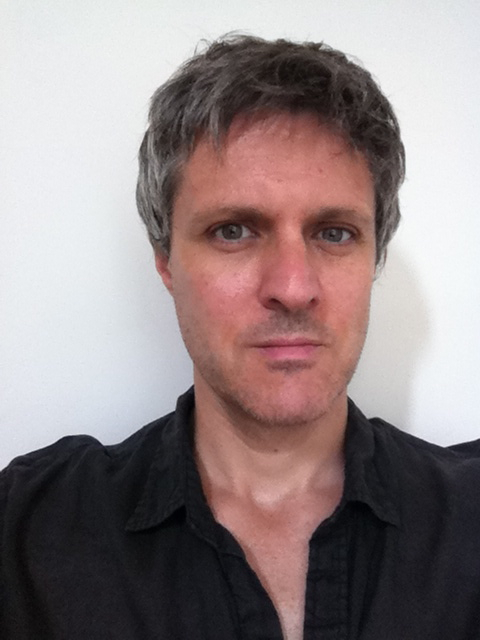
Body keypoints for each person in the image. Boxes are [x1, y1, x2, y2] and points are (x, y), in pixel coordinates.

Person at [1, 34, 479, 640]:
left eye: (334, 233)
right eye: (233, 230)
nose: (293, 287)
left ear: (374, 258)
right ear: (166, 261)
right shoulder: (29, 532)